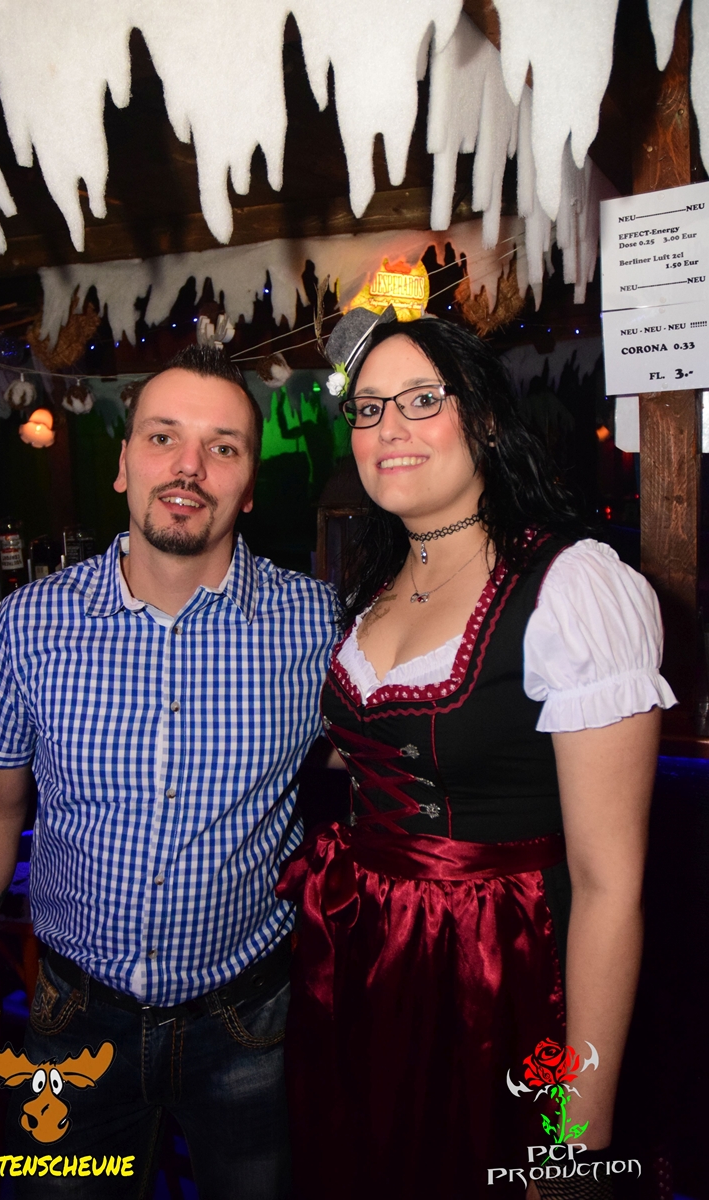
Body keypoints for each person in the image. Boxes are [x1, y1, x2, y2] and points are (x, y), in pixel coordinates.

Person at [277, 312, 675, 1199]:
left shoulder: (571, 587)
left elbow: (608, 887)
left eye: (422, 400)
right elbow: (391, 750)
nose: (389, 427)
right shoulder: (377, 587)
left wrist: (578, 1136)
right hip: (364, 958)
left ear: (486, 420)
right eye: (369, 408)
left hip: (498, 971)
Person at [0, 344, 339, 1200]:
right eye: (163, 437)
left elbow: (392, 766)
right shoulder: (32, 622)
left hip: (250, 1022)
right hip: (71, 1017)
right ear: (123, 465)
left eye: (223, 446)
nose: (189, 467)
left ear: (249, 485)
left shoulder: (316, 626)